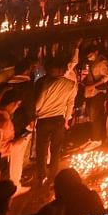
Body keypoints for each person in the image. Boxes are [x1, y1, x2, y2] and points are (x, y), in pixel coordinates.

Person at [33, 56, 77, 186]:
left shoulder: (43, 82)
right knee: (55, 150)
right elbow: (70, 103)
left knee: (41, 150)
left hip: (43, 120)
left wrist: (36, 113)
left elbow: (38, 103)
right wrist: (66, 120)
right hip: (59, 120)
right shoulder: (70, 84)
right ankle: (53, 177)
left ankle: (41, 176)